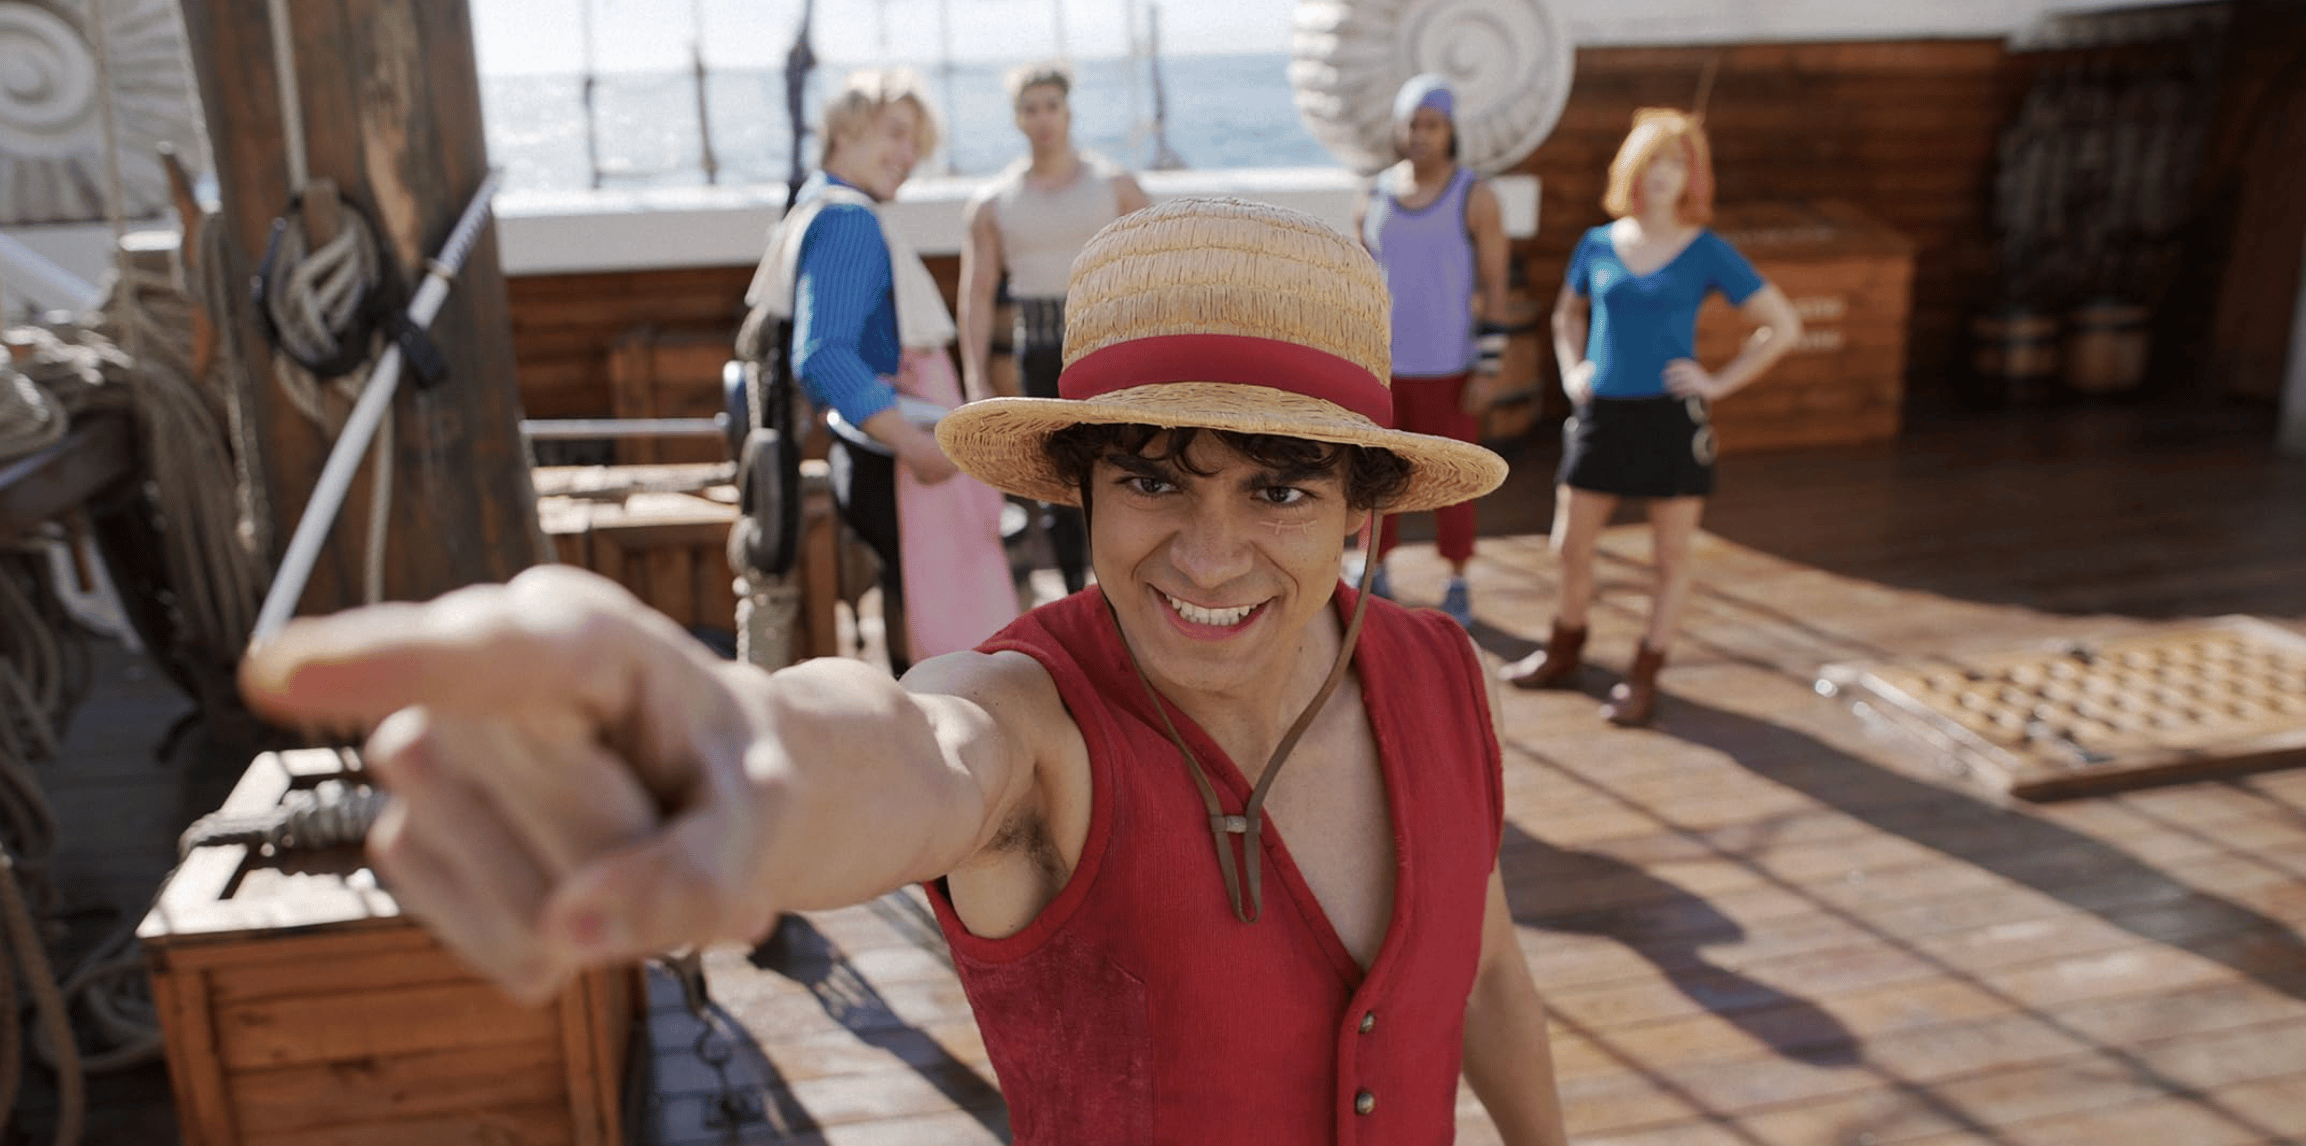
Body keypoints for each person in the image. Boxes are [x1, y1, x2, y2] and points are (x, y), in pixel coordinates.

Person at [240, 198, 1568, 1145]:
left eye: (1278, 486)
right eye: (1151, 478)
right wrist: (746, 760)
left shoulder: (1435, 671)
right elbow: (913, 749)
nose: (1206, 554)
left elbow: (1487, 970)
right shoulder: (1035, 719)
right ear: (1080, 499)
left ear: (1362, 517)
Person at [1503, 108, 1802, 725]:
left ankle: (1645, 672)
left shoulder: (1708, 252)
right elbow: (1567, 316)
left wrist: (1716, 382)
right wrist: (1571, 370)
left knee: (1669, 559)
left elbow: (1784, 327)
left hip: (1670, 420)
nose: (1662, 175)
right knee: (1569, 547)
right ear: (1631, 170)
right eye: (1653, 161)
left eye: (1676, 163)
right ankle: (1564, 652)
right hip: (1601, 416)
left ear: (1692, 176)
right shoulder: (1596, 243)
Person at [739, 68, 1015, 672]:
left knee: (909, 612)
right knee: (943, 637)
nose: (907, 155)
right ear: (844, 130)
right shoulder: (848, 222)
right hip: (898, 468)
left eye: (916, 142)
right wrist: (918, 448)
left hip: (874, 456)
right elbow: (824, 355)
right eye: (894, 134)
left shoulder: (817, 206)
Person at [958, 62, 1151, 597]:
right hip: (1037, 353)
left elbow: (1159, 265)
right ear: (1018, 119)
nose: (1042, 119)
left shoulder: (1114, 187)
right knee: (1056, 485)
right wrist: (975, 377)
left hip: (1104, 351)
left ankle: (1119, 590)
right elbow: (976, 294)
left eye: (1051, 106)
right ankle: (1074, 596)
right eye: (1030, 108)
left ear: (1067, 112)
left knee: (1115, 472)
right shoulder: (994, 203)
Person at [1354, 74, 1512, 628]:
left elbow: (1495, 284)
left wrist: (1489, 364)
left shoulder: (1475, 196)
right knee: (1375, 476)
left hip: (1449, 367)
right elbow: (1361, 281)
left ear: (1449, 131)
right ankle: (1376, 572)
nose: (1421, 135)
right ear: (1398, 130)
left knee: (1452, 482)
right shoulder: (1373, 193)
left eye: (1433, 125)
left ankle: (1459, 579)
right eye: (1412, 124)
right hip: (1383, 370)